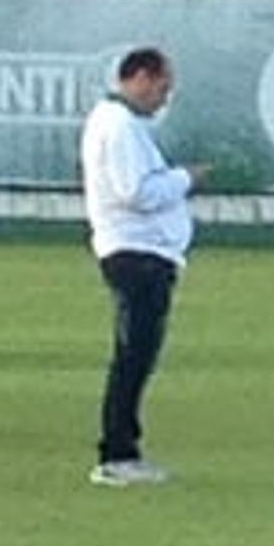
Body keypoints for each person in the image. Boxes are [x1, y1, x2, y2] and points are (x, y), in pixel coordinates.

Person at [79, 48, 210, 488]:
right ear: (138, 77)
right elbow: (135, 191)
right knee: (133, 354)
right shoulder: (118, 125)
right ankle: (117, 453)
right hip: (136, 253)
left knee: (136, 354)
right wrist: (184, 179)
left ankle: (122, 448)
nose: (163, 98)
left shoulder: (122, 125)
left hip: (144, 251)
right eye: (161, 87)